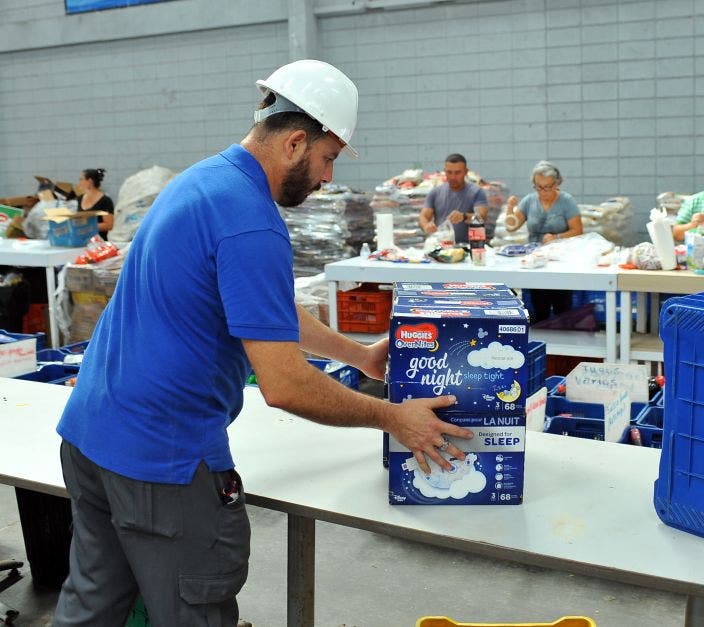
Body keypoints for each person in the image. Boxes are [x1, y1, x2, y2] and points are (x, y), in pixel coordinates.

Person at [53, 59, 471, 626]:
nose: (327, 178)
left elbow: (262, 305)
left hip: (90, 439)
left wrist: (358, 355)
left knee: (94, 607)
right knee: (192, 610)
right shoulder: (250, 220)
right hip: (161, 460)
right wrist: (395, 418)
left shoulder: (203, 181)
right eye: (327, 159)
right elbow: (284, 387)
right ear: (296, 142)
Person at [504, 161, 583, 322]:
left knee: (561, 303)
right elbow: (511, 227)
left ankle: (563, 336)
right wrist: (510, 208)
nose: (543, 191)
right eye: (539, 187)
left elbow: (578, 230)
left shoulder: (567, 201)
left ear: (557, 183)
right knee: (538, 302)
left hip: (560, 260)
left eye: (548, 187)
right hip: (535, 260)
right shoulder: (529, 201)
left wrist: (557, 237)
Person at [419, 153, 488, 244]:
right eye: (449, 172)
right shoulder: (435, 193)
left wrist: (464, 217)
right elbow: (424, 216)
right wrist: (426, 225)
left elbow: (481, 218)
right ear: (444, 171)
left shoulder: (477, 192)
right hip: (442, 248)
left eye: (457, 172)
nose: (453, 177)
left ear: (466, 172)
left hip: (469, 248)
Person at [76, 168, 115, 239]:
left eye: (81, 179)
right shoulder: (79, 199)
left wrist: (88, 227)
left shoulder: (105, 201)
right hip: (82, 241)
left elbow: (109, 225)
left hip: (99, 242)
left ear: (90, 181)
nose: (79, 183)